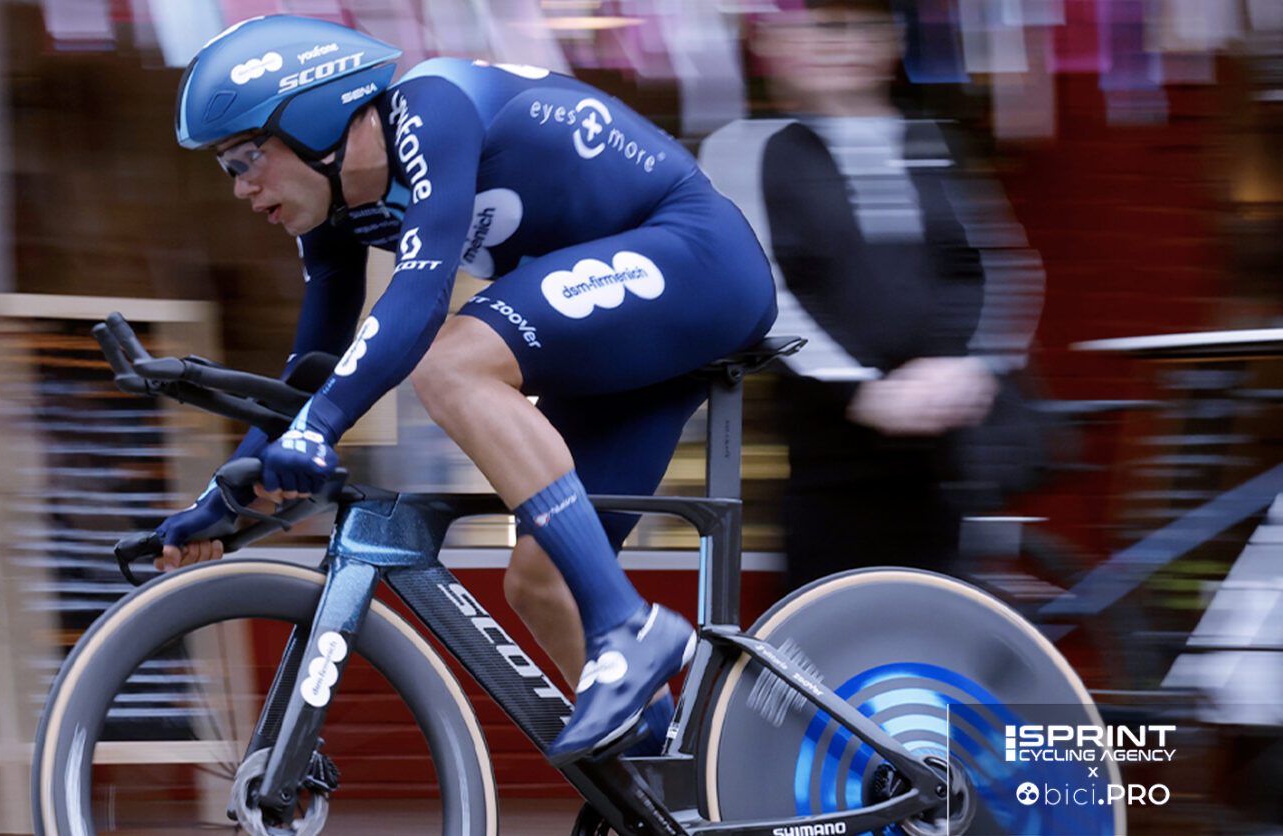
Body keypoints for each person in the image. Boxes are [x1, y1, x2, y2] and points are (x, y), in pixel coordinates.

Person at [152, 15, 776, 763]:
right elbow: (316, 365)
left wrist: (319, 431)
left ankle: (628, 626)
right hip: (623, 326)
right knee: (541, 582)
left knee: (450, 362)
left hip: (700, 258)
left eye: (245, 157)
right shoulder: (339, 213)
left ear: (313, 118)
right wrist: (224, 496)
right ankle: (661, 776)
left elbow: (419, 300)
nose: (240, 188)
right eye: (227, 168)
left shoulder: (431, 106)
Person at [702, 0, 1043, 591]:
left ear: (893, 44)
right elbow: (758, 284)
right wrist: (858, 389)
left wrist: (972, 366)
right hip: (832, 450)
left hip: (946, 448)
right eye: (826, 27)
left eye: (867, 27)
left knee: (942, 618)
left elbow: (993, 263)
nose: (846, 44)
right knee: (829, 618)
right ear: (774, 45)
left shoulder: (932, 142)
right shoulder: (748, 146)